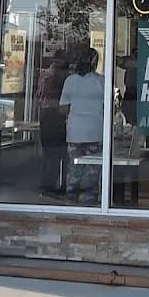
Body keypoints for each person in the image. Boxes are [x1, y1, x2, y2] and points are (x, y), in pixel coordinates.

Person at [59, 48, 105, 205]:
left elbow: (63, 108)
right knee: (93, 168)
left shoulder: (70, 81)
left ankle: (71, 198)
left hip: (75, 131)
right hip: (95, 130)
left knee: (74, 167)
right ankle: (91, 199)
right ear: (95, 63)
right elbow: (109, 107)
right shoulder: (101, 81)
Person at [36, 51, 68, 194]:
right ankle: (50, 185)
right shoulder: (56, 76)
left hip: (45, 115)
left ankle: (47, 183)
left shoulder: (44, 74)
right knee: (56, 151)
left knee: (49, 152)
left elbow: (39, 95)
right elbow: (56, 99)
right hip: (53, 115)